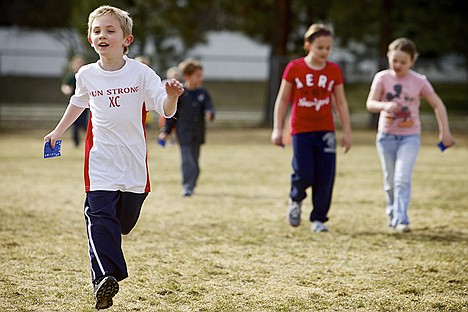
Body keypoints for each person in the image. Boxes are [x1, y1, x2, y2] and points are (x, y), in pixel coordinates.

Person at [43, 5, 184, 310]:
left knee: (124, 224)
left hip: (133, 164)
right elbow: (77, 104)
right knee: (97, 216)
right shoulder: (86, 74)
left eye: (110, 30)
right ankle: (105, 278)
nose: (103, 35)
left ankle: (109, 259)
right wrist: (57, 132)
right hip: (101, 162)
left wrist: (171, 95)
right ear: (90, 38)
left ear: (127, 39)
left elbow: (164, 108)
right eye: (97, 30)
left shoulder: (141, 73)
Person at [366, 37, 455, 233]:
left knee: (402, 178)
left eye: (403, 62)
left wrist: (445, 131)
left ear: (412, 61)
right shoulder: (382, 78)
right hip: (386, 136)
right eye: (394, 60)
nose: (398, 65)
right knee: (389, 181)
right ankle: (392, 214)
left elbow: (438, 105)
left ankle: (402, 219)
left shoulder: (419, 81)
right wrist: (385, 105)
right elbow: (370, 104)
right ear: (388, 57)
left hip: (410, 137)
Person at [271, 23, 352, 233]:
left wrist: (347, 132)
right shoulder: (295, 68)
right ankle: (295, 200)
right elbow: (282, 99)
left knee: (326, 175)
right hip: (300, 130)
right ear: (308, 45)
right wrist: (277, 129)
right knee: (304, 172)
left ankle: (319, 218)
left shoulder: (334, 70)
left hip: (326, 131)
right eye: (320, 47)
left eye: (328, 48)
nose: (325, 52)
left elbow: (340, 103)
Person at [159, 58, 215, 197]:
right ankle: (187, 186)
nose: (201, 78)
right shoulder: (180, 93)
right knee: (187, 160)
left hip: (198, 132)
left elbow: (209, 106)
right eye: (198, 76)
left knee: (194, 161)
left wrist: (210, 113)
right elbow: (172, 114)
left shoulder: (203, 93)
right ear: (188, 76)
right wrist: (166, 131)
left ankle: (192, 183)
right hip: (183, 133)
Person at [61, 55, 88, 147]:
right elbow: (65, 86)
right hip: (74, 103)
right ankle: (76, 143)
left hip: (85, 104)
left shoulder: (85, 75)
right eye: (77, 64)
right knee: (74, 124)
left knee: (85, 123)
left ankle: (89, 140)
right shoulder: (71, 76)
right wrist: (67, 89)